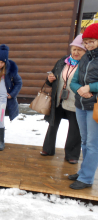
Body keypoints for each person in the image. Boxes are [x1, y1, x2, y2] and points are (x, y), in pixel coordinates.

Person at [40, 35, 86, 164]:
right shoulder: (62, 62)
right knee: (52, 124)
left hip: (75, 101)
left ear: (85, 51)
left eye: (79, 50)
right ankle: (48, 149)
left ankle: (72, 155)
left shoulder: (86, 65)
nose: (76, 52)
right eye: (74, 49)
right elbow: (53, 78)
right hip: (58, 99)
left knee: (74, 129)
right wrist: (50, 79)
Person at [68, 23, 98, 190]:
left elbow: (91, 85)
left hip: (95, 107)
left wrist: (90, 88)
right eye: (86, 42)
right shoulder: (85, 58)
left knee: (93, 144)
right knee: (85, 142)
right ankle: (83, 172)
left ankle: (86, 178)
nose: (87, 45)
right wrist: (79, 89)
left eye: (92, 41)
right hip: (81, 104)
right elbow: (74, 82)